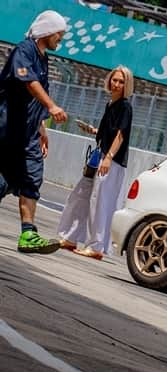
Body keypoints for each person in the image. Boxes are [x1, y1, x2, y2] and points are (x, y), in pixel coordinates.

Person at [0, 10, 68, 254]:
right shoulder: (25, 50)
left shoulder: (43, 58)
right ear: (48, 31)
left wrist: (42, 128)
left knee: (32, 176)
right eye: (59, 33)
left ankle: (28, 233)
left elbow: (35, 99)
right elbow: (28, 82)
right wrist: (52, 105)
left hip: (28, 133)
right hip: (6, 129)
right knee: (4, 181)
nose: (61, 37)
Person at [57, 66, 134, 260]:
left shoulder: (125, 106)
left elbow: (121, 134)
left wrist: (108, 157)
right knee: (81, 196)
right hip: (99, 157)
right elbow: (109, 131)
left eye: (121, 81)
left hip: (111, 161)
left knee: (100, 203)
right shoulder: (111, 104)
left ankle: (97, 246)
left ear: (127, 85)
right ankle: (71, 237)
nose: (116, 84)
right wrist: (94, 131)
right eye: (114, 80)